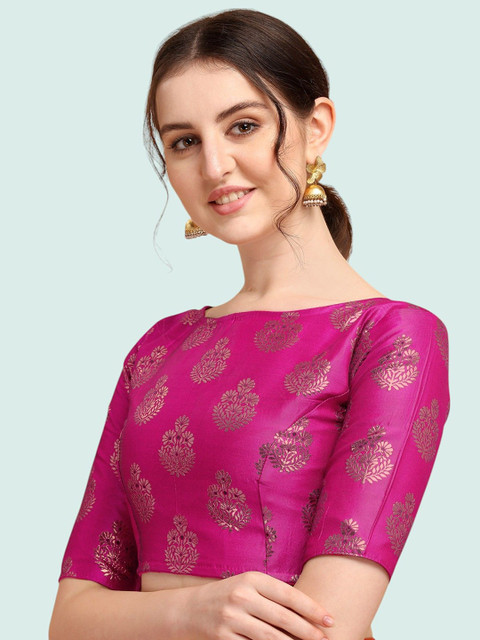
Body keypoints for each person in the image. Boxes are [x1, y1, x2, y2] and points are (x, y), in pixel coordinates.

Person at [49, 9, 450, 640]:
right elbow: (70, 619)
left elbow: (327, 628)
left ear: (316, 128)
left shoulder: (392, 338)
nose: (214, 166)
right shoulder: (159, 348)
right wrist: (190, 613)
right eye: (184, 141)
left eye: (243, 126)